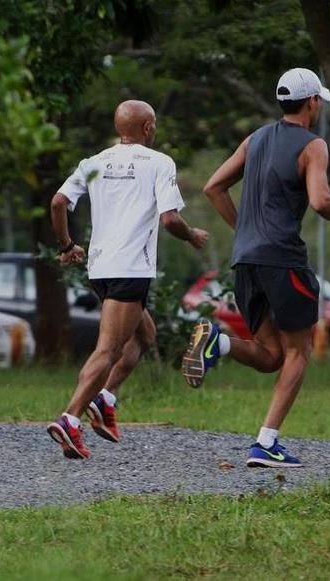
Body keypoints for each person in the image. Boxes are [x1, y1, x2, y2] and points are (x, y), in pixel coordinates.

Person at [181, 68, 330, 468]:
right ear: (312, 101)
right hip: (282, 258)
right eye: (319, 101)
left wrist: (244, 230)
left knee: (270, 355)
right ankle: (266, 443)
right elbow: (319, 200)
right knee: (299, 351)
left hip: (245, 260)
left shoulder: (255, 138)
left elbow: (213, 187)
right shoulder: (314, 145)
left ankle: (219, 342)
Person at [47, 100, 209, 459]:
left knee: (144, 334)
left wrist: (68, 245)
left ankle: (104, 400)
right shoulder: (159, 163)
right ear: (148, 128)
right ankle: (71, 418)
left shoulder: (94, 163)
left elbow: (59, 202)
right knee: (108, 349)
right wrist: (192, 234)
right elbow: (169, 219)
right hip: (131, 269)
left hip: (101, 268)